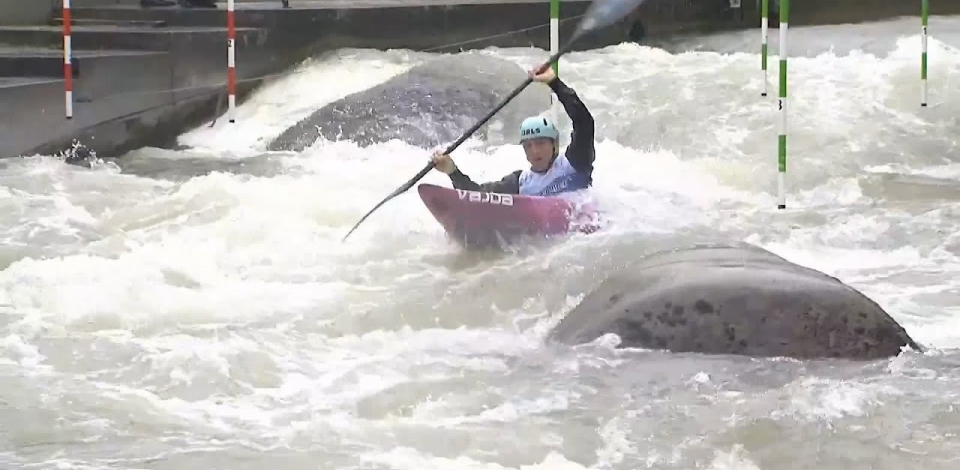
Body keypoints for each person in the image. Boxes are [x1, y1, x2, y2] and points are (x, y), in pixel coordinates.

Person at [430, 64, 595, 197]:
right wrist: (452, 171)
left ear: (554, 144)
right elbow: (479, 196)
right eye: (528, 146)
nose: (535, 150)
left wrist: (554, 83)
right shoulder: (520, 182)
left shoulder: (575, 163)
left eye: (540, 143)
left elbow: (584, 122)